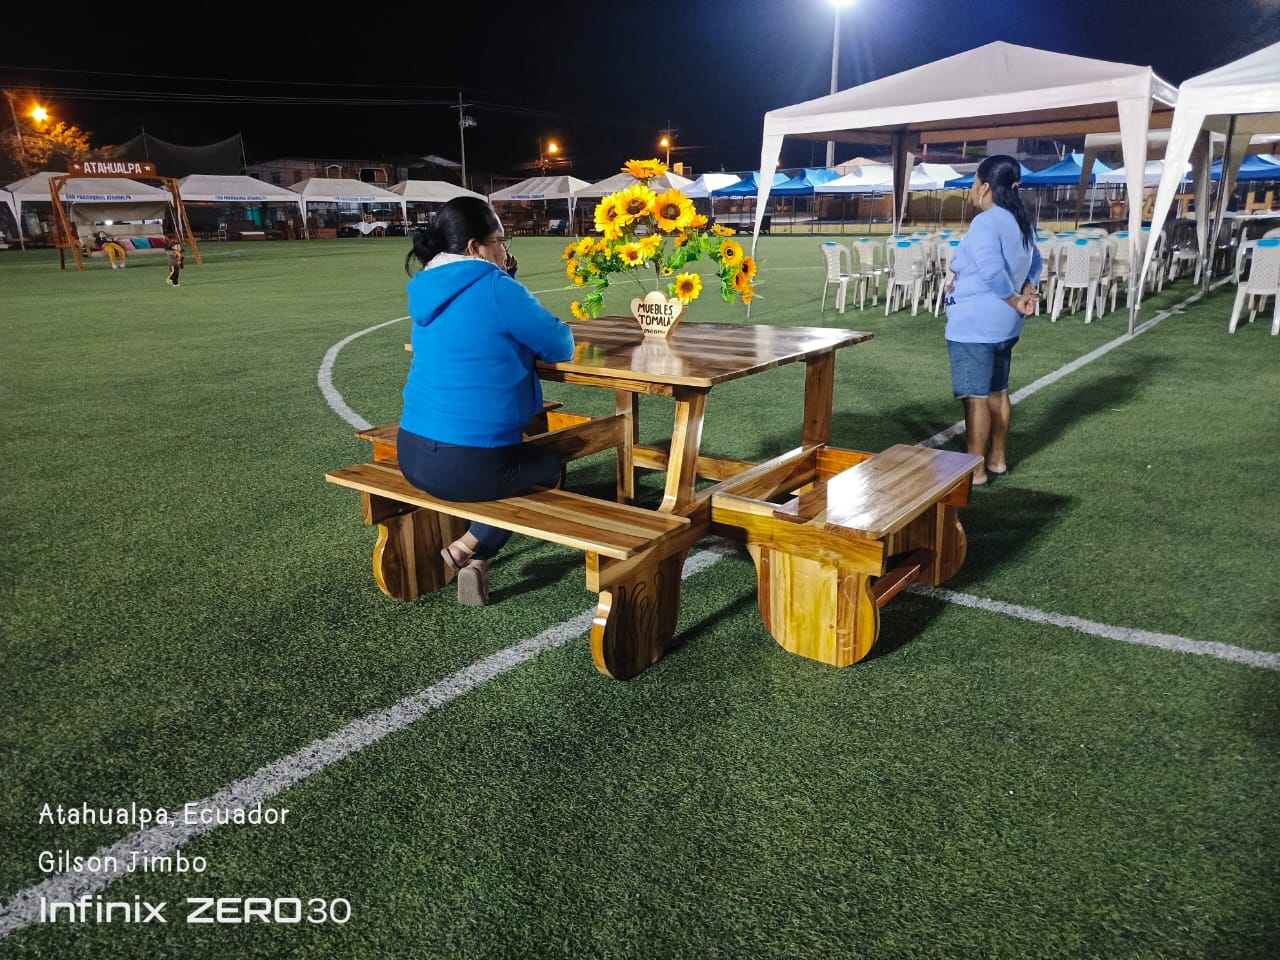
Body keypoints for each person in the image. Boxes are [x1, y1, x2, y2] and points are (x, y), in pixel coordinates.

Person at [397, 196, 575, 606]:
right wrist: (508, 284)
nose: (505, 250)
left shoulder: (427, 287)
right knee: (547, 469)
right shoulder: (495, 286)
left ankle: (477, 561)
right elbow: (559, 344)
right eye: (500, 241)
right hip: (467, 463)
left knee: (508, 468)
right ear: (475, 247)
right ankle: (470, 548)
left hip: (412, 453)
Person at [943, 154, 1042, 488]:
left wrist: (1014, 297)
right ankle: (997, 459)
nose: (973, 189)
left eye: (974, 183)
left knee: (976, 397)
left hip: (976, 324)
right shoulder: (1021, 220)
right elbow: (1036, 260)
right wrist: (1026, 288)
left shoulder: (986, 222)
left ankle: (976, 469)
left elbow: (990, 269)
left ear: (985, 186)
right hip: (1005, 325)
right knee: (998, 391)